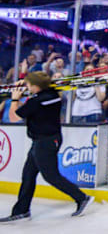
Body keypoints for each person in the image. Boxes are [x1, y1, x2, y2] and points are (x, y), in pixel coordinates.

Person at [0, 72, 94, 222]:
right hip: (44, 140)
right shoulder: (51, 95)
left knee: (51, 176)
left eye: (29, 85)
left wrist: (15, 99)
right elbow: (32, 106)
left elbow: (13, 117)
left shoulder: (37, 101)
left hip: (45, 142)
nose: (27, 87)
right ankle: (21, 211)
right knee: (28, 175)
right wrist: (25, 91)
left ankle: (82, 198)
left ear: (36, 87)